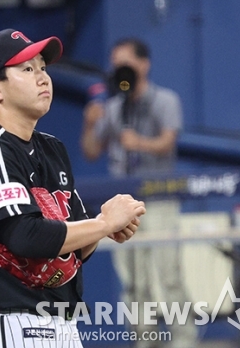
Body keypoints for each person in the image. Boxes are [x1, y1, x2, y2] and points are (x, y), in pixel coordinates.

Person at [0, 28, 146, 348]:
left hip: (61, 323)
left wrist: (102, 229)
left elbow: (73, 249)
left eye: (43, 68)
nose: (43, 78)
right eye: (27, 69)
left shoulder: (51, 149)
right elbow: (25, 236)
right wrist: (102, 223)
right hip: (11, 324)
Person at [80, 38, 198, 347]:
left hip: (158, 200)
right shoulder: (113, 107)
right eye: (115, 63)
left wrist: (140, 144)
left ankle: (185, 342)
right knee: (134, 283)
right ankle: (145, 342)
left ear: (144, 64)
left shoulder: (165, 100)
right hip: (122, 205)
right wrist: (89, 124)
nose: (120, 69)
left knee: (169, 277)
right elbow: (92, 151)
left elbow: (168, 141)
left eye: (126, 62)